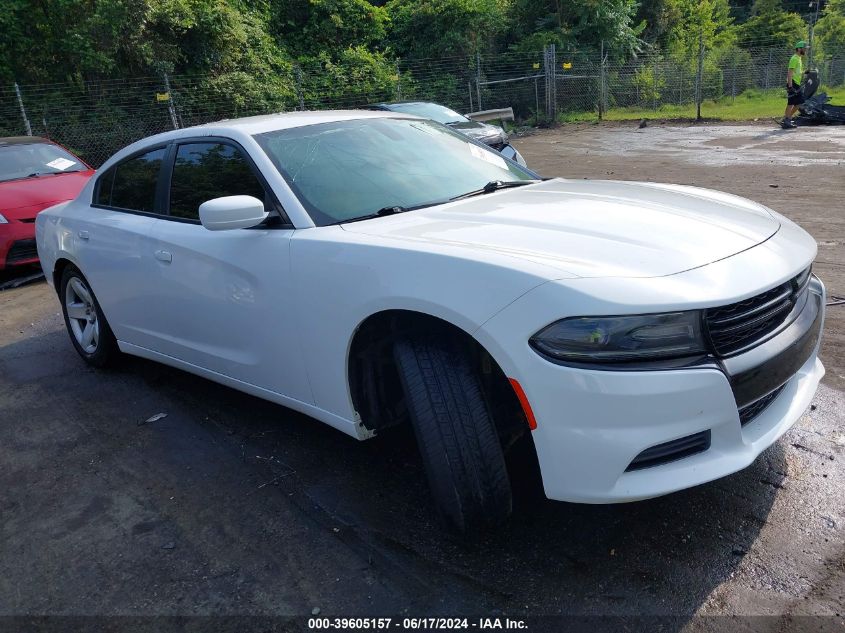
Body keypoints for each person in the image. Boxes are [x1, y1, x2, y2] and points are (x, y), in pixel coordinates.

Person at [781, 40, 807, 129]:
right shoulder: (794, 58)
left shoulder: (799, 58)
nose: (805, 50)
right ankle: (787, 120)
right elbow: (790, 72)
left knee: (799, 102)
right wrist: (790, 86)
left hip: (796, 83)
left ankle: (787, 118)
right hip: (793, 83)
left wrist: (805, 72)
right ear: (799, 48)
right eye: (804, 48)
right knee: (791, 103)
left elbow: (797, 72)